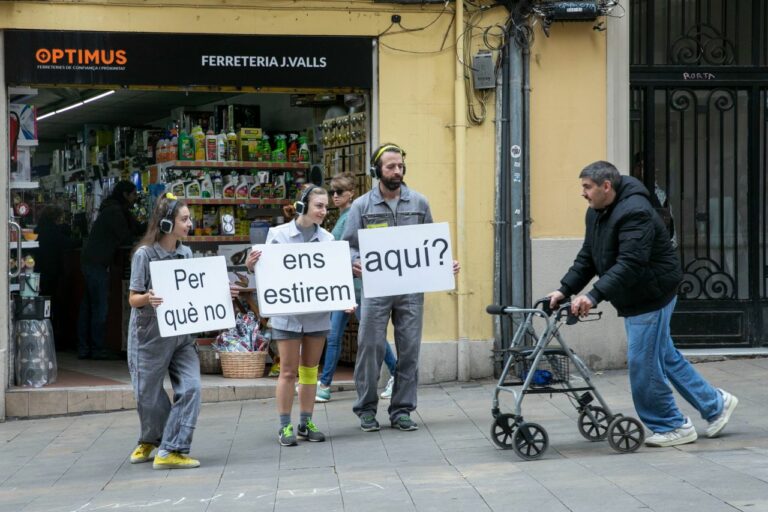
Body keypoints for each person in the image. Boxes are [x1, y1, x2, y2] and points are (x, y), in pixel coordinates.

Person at [548, 160, 738, 448]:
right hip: (637, 293)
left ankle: (672, 424)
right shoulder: (597, 212)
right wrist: (565, 289)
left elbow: (630, 264)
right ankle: (715, 404)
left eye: (587, 187)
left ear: (606, 186)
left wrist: (593, 295)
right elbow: (588, 255)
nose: (583, 193)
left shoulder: (635, 212)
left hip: (651, 294)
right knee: (663, 354)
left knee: (643, 363)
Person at [343, 143, 460, 432]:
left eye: (400, 166)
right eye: (391, 167)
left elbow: (430, 243)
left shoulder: (419, 202)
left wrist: (443, 263)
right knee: (369, 347)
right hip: (376, 289)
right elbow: (347, 246)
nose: (397, 171)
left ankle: (402, 411)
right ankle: (366, 409)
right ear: (377, 171)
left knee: (409, 351)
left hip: (411, 290)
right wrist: (353, 262)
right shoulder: (361, 206)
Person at [246, 185, 335, 446]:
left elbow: (332, 276)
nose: (323, 211)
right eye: (319, 205)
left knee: (310, 371)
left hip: (317, 315)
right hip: (287, 315)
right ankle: (285, 426)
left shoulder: (328, 240)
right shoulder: (278, 235)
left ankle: (306, 422)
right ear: (302, 206)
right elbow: (265, 271)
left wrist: (343, 298)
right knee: (287, 371)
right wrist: (251, 265)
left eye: (326, 206)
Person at [126, 193, 202, 469]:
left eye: (189, 219)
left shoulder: (186, 253)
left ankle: (172, 448)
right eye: (184, 219)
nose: (189, 224)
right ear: (167, 223)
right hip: (149, 335)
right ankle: (151, 438)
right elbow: (133, 299)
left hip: (181, 334)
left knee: (192, 387)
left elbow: (193, 290)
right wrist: (148, 298)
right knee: (147, 394)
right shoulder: (144, 255)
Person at [315, 172, 398, 403]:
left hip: (358, 288)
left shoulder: (353, 213)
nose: (335, 196)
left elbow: (341, 248)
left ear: (351, 193)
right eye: (332, 192)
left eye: (339, 192)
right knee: (334, 335)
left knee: (371, 335)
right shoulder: (343, 215)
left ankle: (397, 373)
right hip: (344, 287)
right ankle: (325, 384)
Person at [78, 180, 142, 359]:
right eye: (133, 194)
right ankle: (97, 348)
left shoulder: (110, 208)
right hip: (97, 263)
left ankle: (84, 347)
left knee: (89, 306)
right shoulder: (115, 212)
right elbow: (126, 236)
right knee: (99, 306)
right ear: (125, 195)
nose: (135, 198)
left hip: (91, 261)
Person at [35, 206, 74, 349]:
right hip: (52, 272)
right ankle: (53, 336)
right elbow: (68, 243)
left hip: (39, 270)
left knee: (42, 302)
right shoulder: (54, 232)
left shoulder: (38, 231)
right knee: (53, 304)